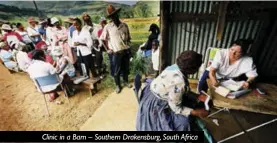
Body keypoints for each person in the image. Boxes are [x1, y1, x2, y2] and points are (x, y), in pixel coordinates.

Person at [136, 51, 209, 131]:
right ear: (192, 70)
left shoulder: (174, 67)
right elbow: (176, 109)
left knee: (189, 102)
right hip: (155, 104)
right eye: (198, 67)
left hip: (150, 93)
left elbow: (177, 89)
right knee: (183, 123)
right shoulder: (179, 82)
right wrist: (196, 112)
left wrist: (196, 96)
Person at [100, 5, 132, 93]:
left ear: (117, 14)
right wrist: (107, 49)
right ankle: (118, 85)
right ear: (110, 17)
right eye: (111, 16)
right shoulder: (108, 27)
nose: (113, 17)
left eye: (115, 15)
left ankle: (126, 82)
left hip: (125, 50)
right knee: (116, 70)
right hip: (116, 52)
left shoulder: (124, 25)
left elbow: (128, 38)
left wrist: (128, 46)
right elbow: (102, 39)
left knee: (125, 68)